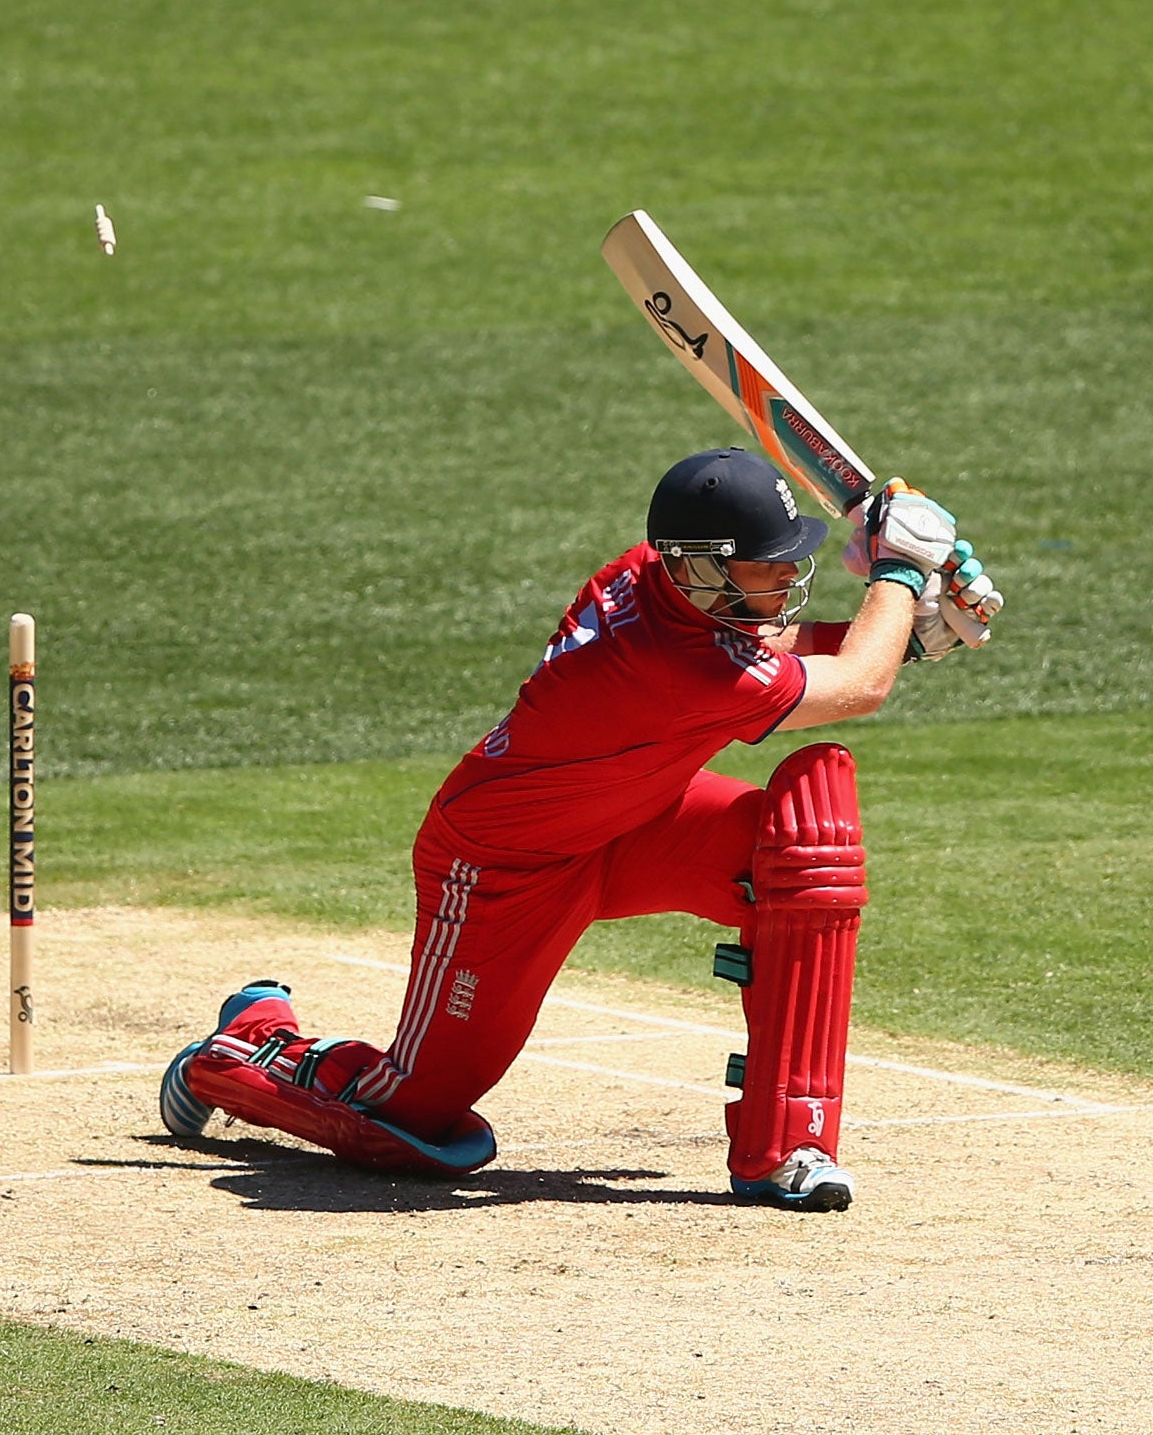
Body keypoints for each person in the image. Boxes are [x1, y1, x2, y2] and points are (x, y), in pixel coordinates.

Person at [161, 448, 1002, 1210]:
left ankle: (785, 1146)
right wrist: (897, 576)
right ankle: (249, 1044)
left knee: (805, 834)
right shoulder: (674, 667)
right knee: (413, 1120)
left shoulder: (652, 576)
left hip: (638, 818)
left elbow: (778, 642)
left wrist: (910, 627)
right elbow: (858, 685)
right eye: (764, 567)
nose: (782, 581)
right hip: (500, 867)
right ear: (703, 569)